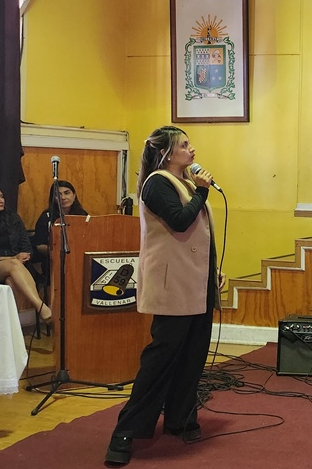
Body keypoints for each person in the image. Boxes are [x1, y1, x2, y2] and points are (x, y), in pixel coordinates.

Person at [105, 126, 222, 466]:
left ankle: (180, 418)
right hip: (173, 285)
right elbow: (180, 221)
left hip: (197, 283)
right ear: (166, 153)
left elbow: (200, 235)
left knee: (192, 355)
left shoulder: (186, 183)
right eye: (184, 145)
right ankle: (125, 432)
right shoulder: (158, 183)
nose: (192, 149)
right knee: (161, 359)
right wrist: (203, 192)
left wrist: (213, 270)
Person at [0, 187, 53, 323]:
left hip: (18, 267)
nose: (1, 200)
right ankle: (41, 307)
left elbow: (27, 245)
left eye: (2, 197)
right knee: (14, 264)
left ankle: (11, 327)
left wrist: (26, 255)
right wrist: (13, 258)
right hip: (3, 265)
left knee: (11, 282)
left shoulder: (13, 218)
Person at [33, 180, 89, 284]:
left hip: (80, 259)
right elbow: (39, 245)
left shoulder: (83, 215)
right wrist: (58, 252)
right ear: (53, 199)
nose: (63, 198)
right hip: (55, 261)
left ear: (74, 195)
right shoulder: (46, 217)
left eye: (67, 193)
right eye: (58, 195)